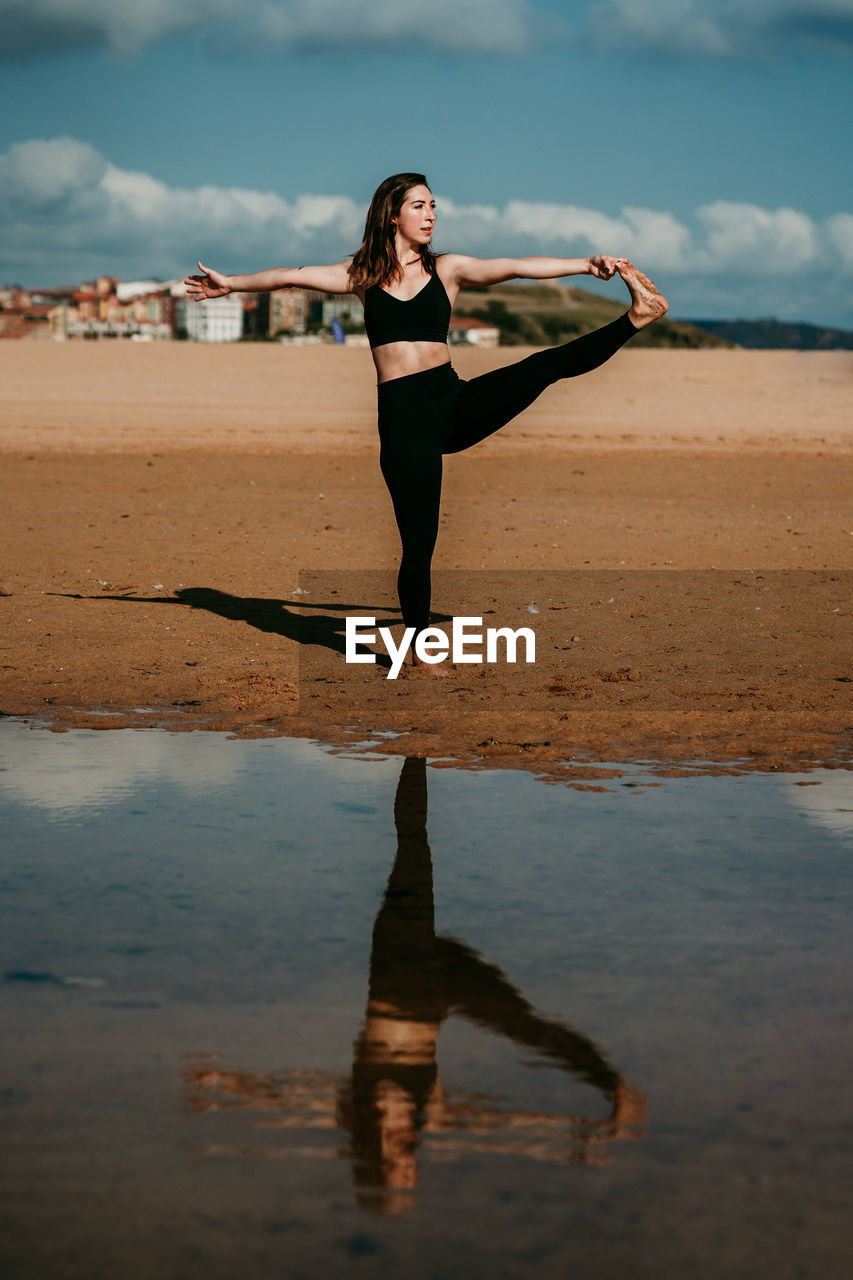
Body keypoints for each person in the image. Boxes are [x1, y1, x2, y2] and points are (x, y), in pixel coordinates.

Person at [184, 172, 668, 671]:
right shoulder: (361, 275)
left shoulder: (449, 269)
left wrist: (585, 265)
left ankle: (637, 316)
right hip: (403, 420)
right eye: (419, 205)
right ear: (393, 214)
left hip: (452, 401)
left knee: (542, 367)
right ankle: (417, 647)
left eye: (433, 205)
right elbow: (290, 275)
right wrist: (231, 284)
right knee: (419, 543)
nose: (431, 214)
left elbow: (516, 267)